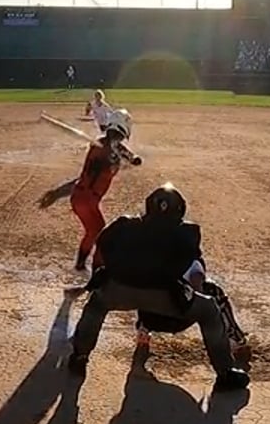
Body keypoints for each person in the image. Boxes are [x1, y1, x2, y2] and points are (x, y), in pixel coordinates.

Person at [67, 184, 249, 392]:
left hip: (120, 288)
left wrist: (111, 271)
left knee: (97, 303)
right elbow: (192, 267)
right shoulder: (187, 231)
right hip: (164, 294)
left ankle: (80, 356)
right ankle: (225, 373)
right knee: (209, 310)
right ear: (180, 210)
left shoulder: (124, 225)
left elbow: (103, 244)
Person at [37, 112, 140, 273]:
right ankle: (98, 268)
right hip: (86, 199)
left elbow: (126, 156)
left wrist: (131, 158)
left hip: (83, 198)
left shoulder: (107, 147)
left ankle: (81, 265)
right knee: (101, 233)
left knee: (94, 231)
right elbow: (114, 157)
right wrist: (125, 158)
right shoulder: (103, 149)